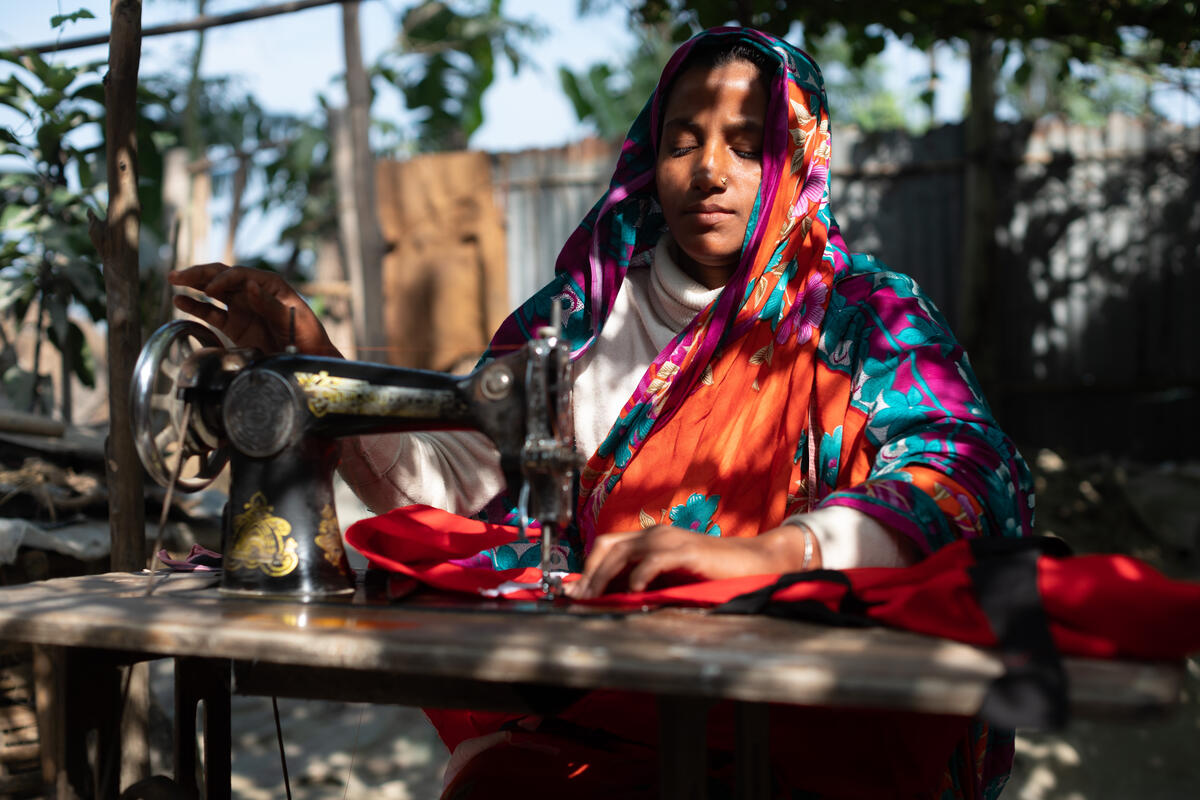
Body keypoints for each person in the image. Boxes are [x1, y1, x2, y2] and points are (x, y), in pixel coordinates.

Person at [171, 26, 1032, 800]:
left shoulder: (865, 316)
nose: (709, 170)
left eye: (745, 143)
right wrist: (317, 363)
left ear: (798, 155)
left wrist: (773, 553)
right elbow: (463, 477)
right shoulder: (580, 315)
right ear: (649, 156)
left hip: (808, 714)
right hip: (612, 696)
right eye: (683, 141)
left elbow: (956, 467)